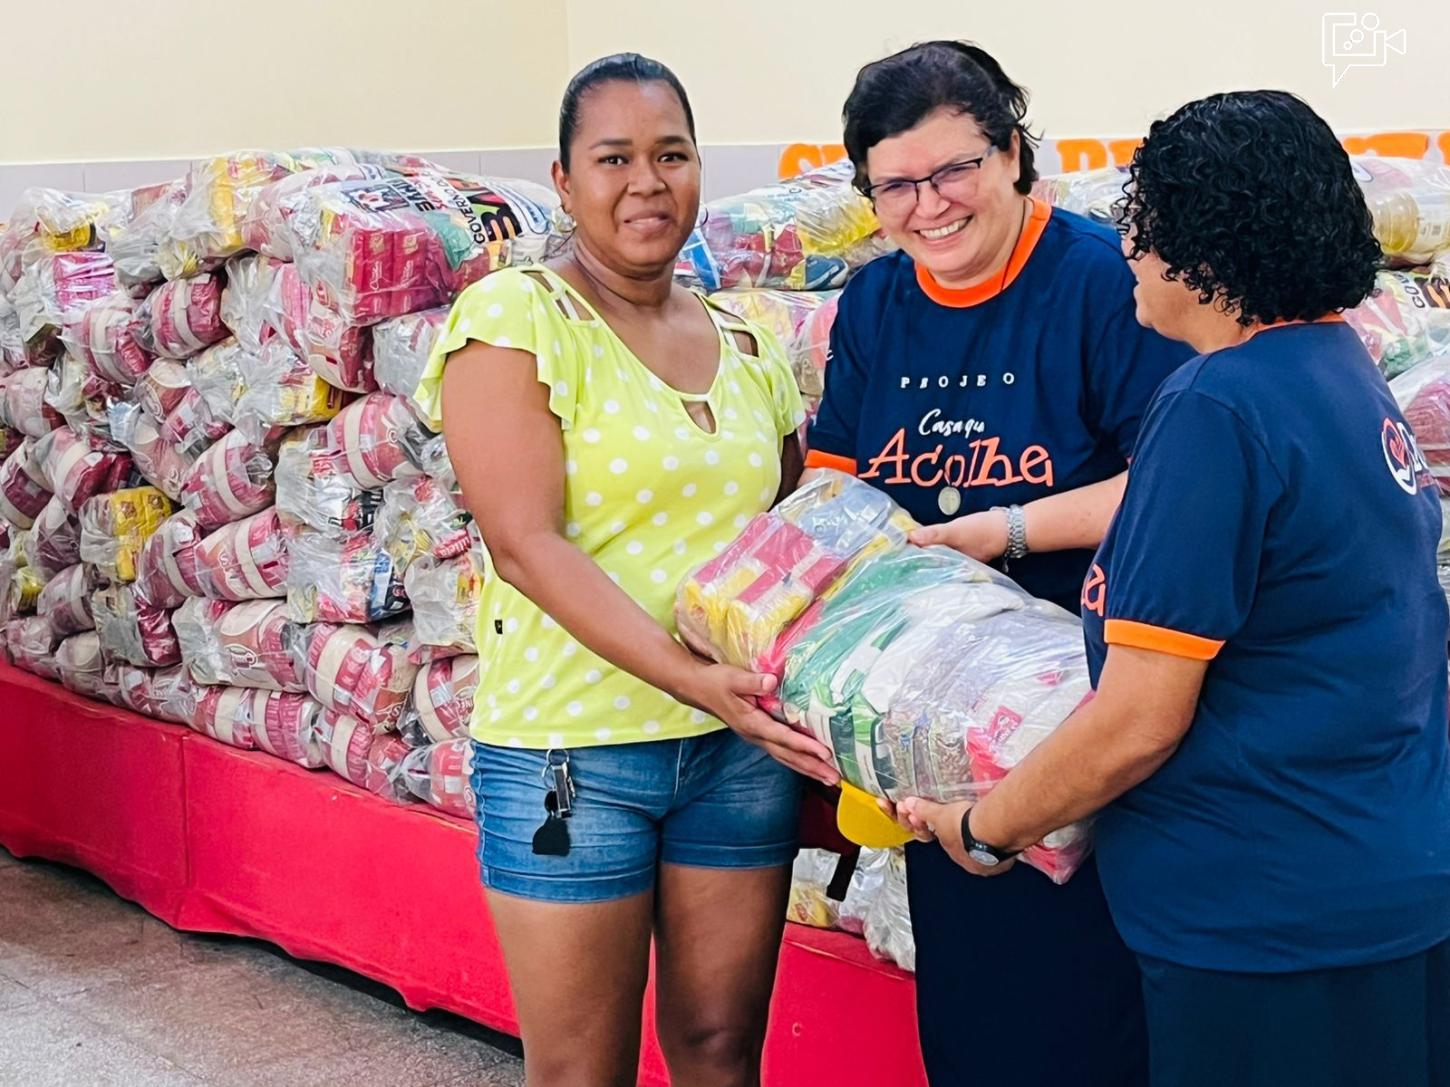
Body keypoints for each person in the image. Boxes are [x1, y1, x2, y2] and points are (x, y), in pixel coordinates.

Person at [898, 90, 1450, 1087]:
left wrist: (981, 829)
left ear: (1205, 245)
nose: (1127, 255)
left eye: (1141, 229)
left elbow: (1139, 718)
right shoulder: (1338, 369)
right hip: (1380, 884)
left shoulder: (1215, 409)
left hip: (1263, 921)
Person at [416, 53, 837, 1087]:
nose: (646, 182)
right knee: (579, 1070)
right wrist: (692, 676)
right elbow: (526, 542)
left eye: (670, 154)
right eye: (613, 158)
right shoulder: (514, 320)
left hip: (734, 757)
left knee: (718, 1049)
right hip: (575, 757)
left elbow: (778, 538)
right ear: (562, 181)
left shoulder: (748, 340)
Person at [805, 40, 1192, 1086]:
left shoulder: (1102, 282)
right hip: (932, 727)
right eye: (895, 184)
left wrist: (1006, 531)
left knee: (1087, 1021)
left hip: (1093, 725)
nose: (928, 206)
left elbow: (1177, 489)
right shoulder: (876, 307)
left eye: (953, 170)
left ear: (1013, 152)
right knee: (976, 1021)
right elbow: (833, 500)